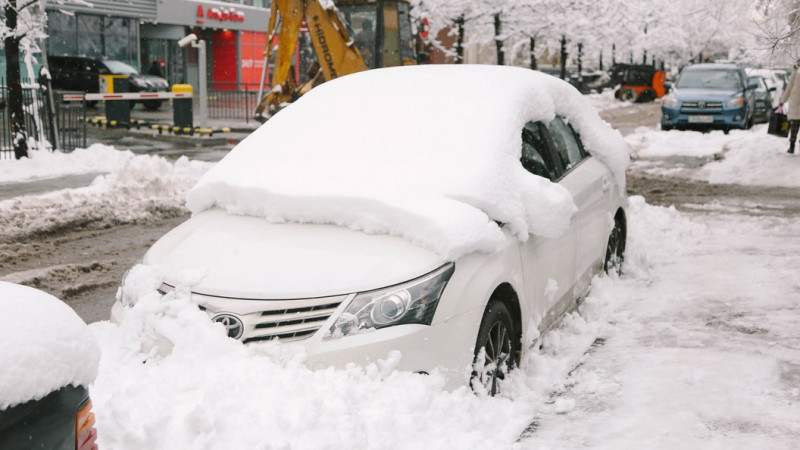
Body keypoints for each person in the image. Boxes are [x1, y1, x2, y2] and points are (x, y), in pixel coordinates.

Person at [779, 60, 800, 154]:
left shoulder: (796, 69)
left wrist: (783, 100)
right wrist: (783, 100)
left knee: (794, 125)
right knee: (795, 125)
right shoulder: (796, 70)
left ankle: (792, 146)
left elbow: (790, 86)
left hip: (796, 101)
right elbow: (790, 86)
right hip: (796, 101)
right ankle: (792, 146)